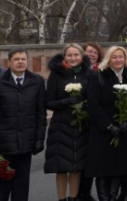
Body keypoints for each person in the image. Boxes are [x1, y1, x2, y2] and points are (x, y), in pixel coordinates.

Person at [0, 48, 46, 201]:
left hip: (26, 143)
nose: (20, 62)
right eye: (16, 59)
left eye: (23, 59)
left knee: (22, 184)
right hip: (3, 144)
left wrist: (39, 140)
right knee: (1, 186)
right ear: (9, 62)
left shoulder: (36, 81)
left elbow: (40, 113)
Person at [86, 45, 127, 201]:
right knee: (104, 168)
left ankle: (118, 197)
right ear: (109, 59)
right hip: (103, 130)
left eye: (121, 57)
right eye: (114, 57)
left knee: (122, 168)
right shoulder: (98, 76)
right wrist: (108, 126)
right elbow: (93, 104)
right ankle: (105, 198)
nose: (118, 60)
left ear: (125, 59)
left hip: (125, 130)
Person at [46, 44, 92, 201]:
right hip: (61, 124)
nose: (73, 58)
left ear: (81, 56)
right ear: (64, 57)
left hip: (82, 125)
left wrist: (82, 105)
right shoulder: (56, 75)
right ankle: (61, 198)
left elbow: (93, 98)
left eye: (76, 55)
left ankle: (73, 197)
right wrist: (66, 101)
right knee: (61, 167)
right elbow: (49, 102)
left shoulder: (88, 74)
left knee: (77, 166)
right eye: (69, 55)